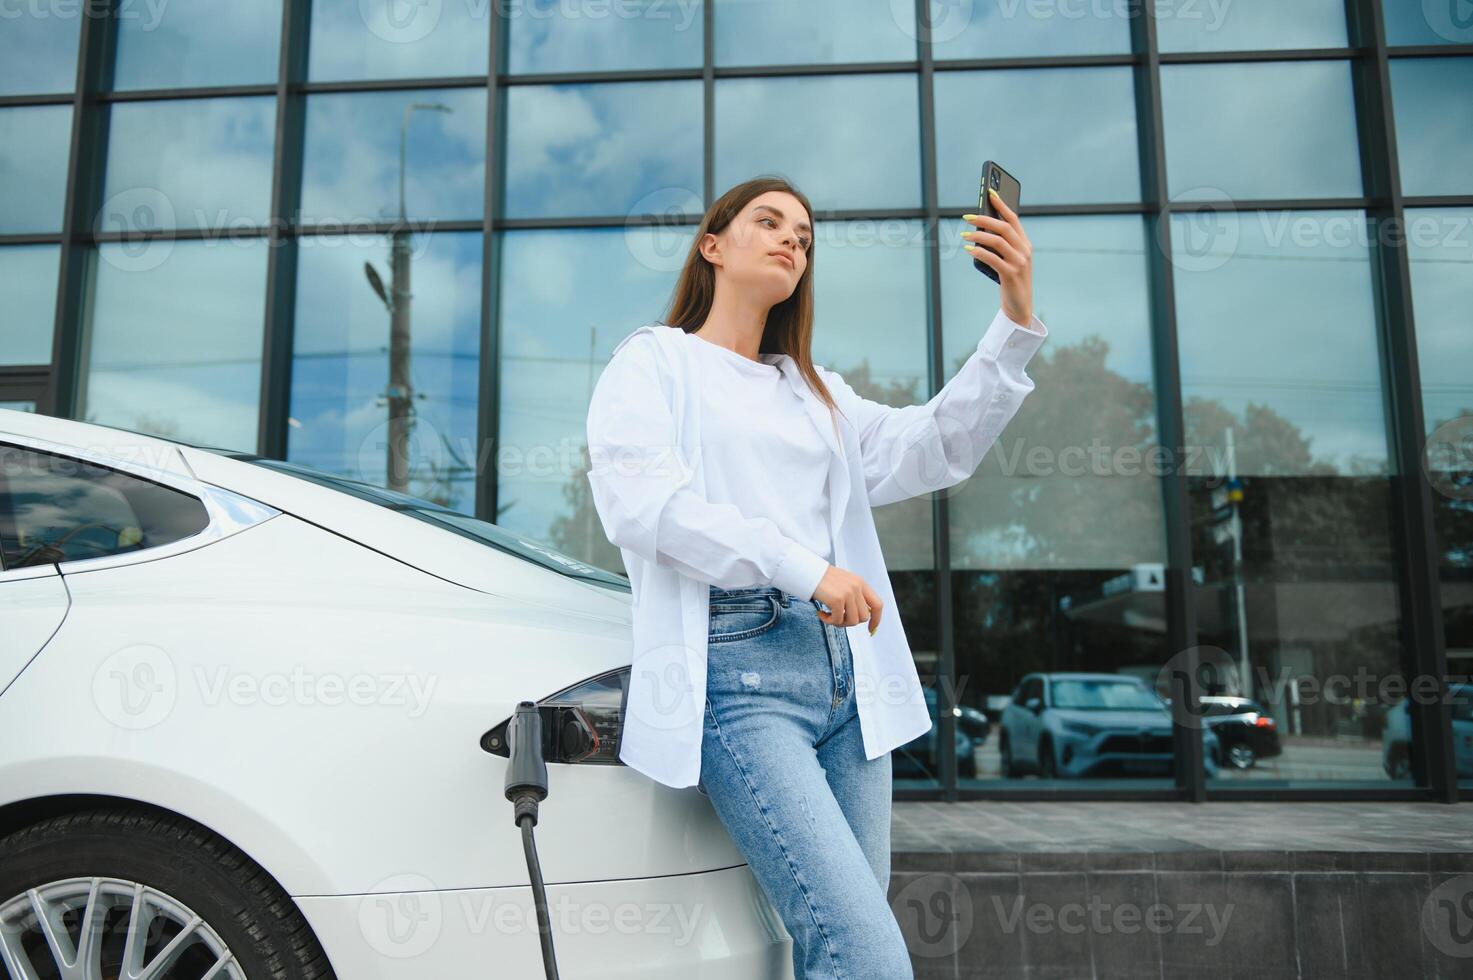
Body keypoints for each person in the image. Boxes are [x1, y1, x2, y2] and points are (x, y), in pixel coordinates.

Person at [585, 175, 1048, 979]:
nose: (790, 241)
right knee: (867, 956)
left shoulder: (813, 389)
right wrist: (805, 569)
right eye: (768, 223)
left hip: (848, 681)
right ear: (712, 245)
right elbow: (645, 508)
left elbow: (936, 445)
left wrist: (1011, 319)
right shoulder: (654, 362)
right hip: (742, 674)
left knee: (840, 953)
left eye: (803, 236)